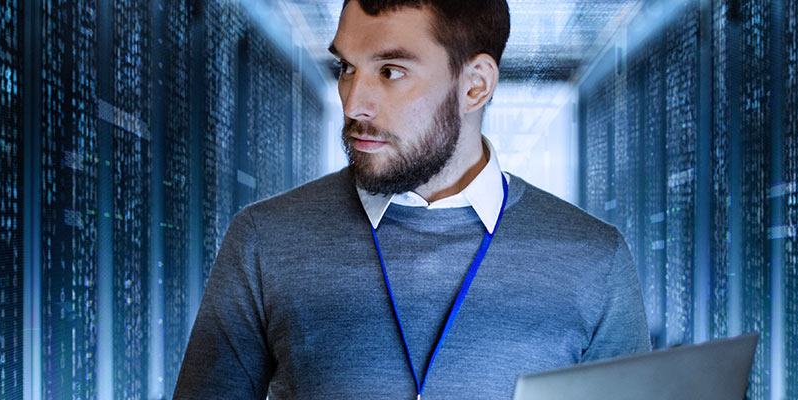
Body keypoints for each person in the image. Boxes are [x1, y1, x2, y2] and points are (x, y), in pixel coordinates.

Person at [173, 0, 650, 398]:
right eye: (346, 67)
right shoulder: (263, 239)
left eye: (391, 70)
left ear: (475, 85)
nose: (354, 102)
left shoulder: (595, 258)